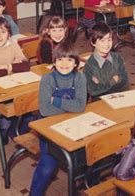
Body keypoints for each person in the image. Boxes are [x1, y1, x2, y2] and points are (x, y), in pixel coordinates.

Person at [30, 42, 87, 195]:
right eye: (60, 59)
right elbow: (45, 110)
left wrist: (55, 100)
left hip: (73, 126)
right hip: (49, 129)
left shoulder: (80, 78)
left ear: (76, 63)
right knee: (48, 166)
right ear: (54, 61)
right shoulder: (47, 79)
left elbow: (81, 106)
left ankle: (83, 184)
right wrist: (71, 106)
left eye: (69, 60)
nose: (64, 63)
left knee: (90, 156)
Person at [0, 17, 30, 143]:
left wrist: (8, 67)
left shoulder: (13, 45)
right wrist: (12, 68)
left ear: (9, 34)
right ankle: (4, 131)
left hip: (13, 87)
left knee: (29, 109)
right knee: (5, 121)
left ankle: (15, 130)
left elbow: (26, 66)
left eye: (3, 32)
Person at [84, 22, 129, 100]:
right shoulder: (89, 65)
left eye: (109, 40)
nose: (107, 44)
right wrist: (113, 80)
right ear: (93, 43)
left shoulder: (117, 58)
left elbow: (125, 83)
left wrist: (102, 85)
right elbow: (93, 91)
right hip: (99, 102)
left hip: (119, 98)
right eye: (102, 40)